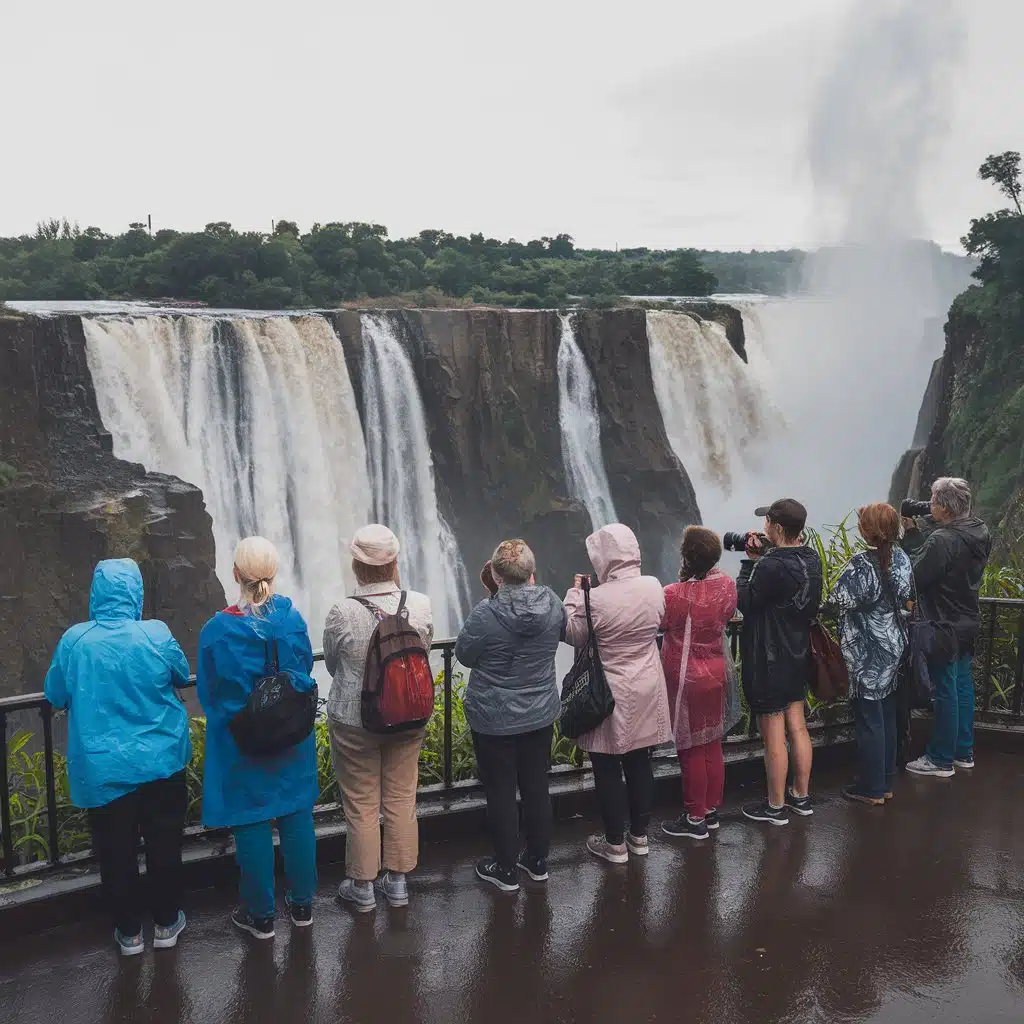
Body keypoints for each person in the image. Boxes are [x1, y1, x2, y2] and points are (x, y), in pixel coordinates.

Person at [43, 559, 192, 956]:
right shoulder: (156, 633)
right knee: (164, 844)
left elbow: (55, 694)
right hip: (161, 760)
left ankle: (129, 934)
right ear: (136, 593)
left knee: (116, 852)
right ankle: (166, 923)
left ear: (96, 593)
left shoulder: (75, 641)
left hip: (104, 768)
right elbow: (181, 672)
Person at [197, 536, 318, 940]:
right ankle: (302, 906)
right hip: (290, 736)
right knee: (296, 813)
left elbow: (209, 694)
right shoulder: (291, 619)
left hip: (241, 741)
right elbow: (302, 670)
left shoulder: (217, 631)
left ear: (236, 574)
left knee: (251, 818)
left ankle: (260, 915)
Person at [323, 524, 433, 912]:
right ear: (394, 562)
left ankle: (363, 887)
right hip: (408, 715)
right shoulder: (419, 604)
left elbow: (333, 664)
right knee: (402, 797)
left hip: (355, 719)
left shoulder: (343, 611)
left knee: (361, 803)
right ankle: (399, 882)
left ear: (357, 565)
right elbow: (425, 650)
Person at [456, 539, 565, 892]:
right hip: (539, 714)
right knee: (536, 785)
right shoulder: (552, 603)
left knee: (501, 790)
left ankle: (504, 869)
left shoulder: (485, 613)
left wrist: (492, 596)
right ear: (531, 573)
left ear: (496, 575)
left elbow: (465, 655)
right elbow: (562, 634)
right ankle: (537, 862)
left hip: (495, 718)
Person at [564, 523, 671, 864]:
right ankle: (639, 837)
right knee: (640, 761)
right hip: (647, 683)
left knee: (607, 766)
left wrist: (575, 595)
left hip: (609, 690)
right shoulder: (654, 586)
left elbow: (573, 635)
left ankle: (614, 845)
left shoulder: (594, 599)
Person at [737, 499, 822, 826]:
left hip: (770, 658)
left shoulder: (772, 566)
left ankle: (775, 806)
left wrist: (749, 564)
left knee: (773, 733)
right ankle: (800, 797)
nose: (763, 528)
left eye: (767, 522)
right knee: (797, 727)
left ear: (778, 528)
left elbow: (746, 601)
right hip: (798, 653)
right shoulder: (810, 558)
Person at [901, 478, 991, 778]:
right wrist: (931, 522)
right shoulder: (979, 529)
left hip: (943, 621)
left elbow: (915, 576)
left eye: (934, 502)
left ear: (946, 508)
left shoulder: (943, 540)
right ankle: (963, 751)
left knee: (945, 688)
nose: (930, 505)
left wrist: (913, 536)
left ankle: (940, 759)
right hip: (967, 618)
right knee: (962, 684)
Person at [827, 503, 913, 804]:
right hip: (893, 646)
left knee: (869, 718)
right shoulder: (901, 558)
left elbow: (837, 598)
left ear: (868, 530)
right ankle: (885, 781)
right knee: (886, 713)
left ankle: (872, 788)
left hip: (866, 652)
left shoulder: (862, 564)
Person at [660, 527, 738, 840]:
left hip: (686, 677)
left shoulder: (674, 594)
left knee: (690, 746)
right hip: (717, 671)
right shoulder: (727, 586)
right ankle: (710, 810)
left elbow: (662, 623)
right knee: (712, 742)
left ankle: (694, 818)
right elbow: (729, 613)